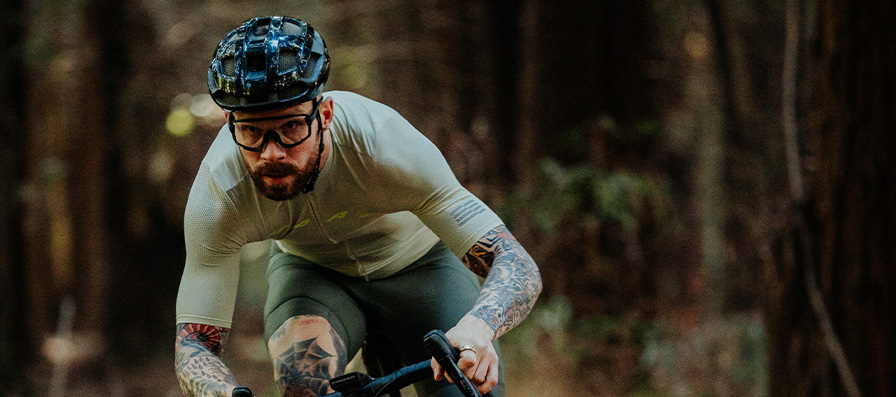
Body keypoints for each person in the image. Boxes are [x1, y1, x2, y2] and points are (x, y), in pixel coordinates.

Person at [174, 16, 542, 397]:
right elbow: (194, 346)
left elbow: (515, 262)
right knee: (302, 382)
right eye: (251, 131)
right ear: (230, 123)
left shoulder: (385, 144)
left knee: (470, 389)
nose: (272, 152)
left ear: (326, 115)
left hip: (420, 265)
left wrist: (479, 327)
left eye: (291, 127)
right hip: (313, 274)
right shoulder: (218, 191)